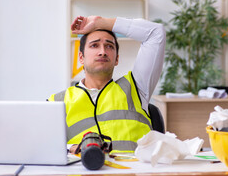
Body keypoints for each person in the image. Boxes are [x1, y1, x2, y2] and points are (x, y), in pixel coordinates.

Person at [48, 16, 165, 153]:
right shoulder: (57, 102)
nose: (102, 51)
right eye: (94, 45)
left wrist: (100, 22)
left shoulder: (137, 87)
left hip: (135, 171)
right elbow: (43, 144)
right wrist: (70, 148)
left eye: (109, 46)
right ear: (81, 57)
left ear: (116, 59)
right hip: (82, 171)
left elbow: (156, 33)